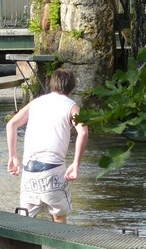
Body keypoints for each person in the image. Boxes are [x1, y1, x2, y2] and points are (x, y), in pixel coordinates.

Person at [6, 68, 89, 224]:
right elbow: (83, 132)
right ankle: (60, 248)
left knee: (26, 221)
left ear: (52, 85)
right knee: (58, 218)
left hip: (29, 170)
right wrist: (76, 164)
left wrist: (13, 157)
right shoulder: (71, 106)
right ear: (71, 89)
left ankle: (25, 248)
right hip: (53, 169)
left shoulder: (36, 103)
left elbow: (11, 124)